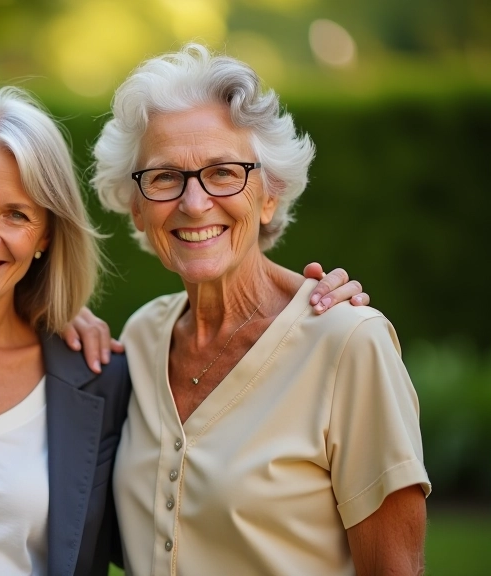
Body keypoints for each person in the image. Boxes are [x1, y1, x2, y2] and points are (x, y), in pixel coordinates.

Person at [0, 87, 364, 576]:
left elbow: (178, 524)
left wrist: (292, 295)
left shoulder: (99, 376)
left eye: (17, 214)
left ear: (45, 235)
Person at [93, 44, 430, 575]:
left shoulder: (347, 343)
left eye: (223, 172)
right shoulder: (140, 337)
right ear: (136, 208)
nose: (194, 202)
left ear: (269, 194)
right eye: (163, 178)